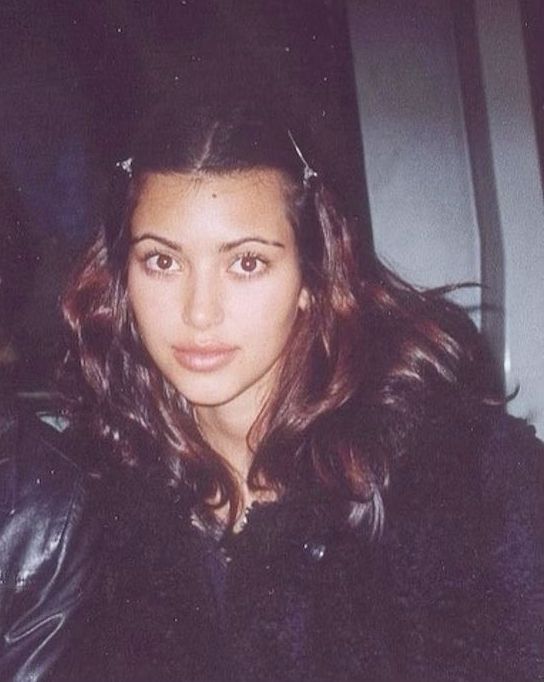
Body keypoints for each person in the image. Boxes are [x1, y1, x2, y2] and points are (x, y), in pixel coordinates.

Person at [1, 95, 543, 682]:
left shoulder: (457, 474)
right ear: (122, 280)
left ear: (312, 277)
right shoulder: (105, 492)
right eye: (162, 261)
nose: (199, 312)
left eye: (247, 264)